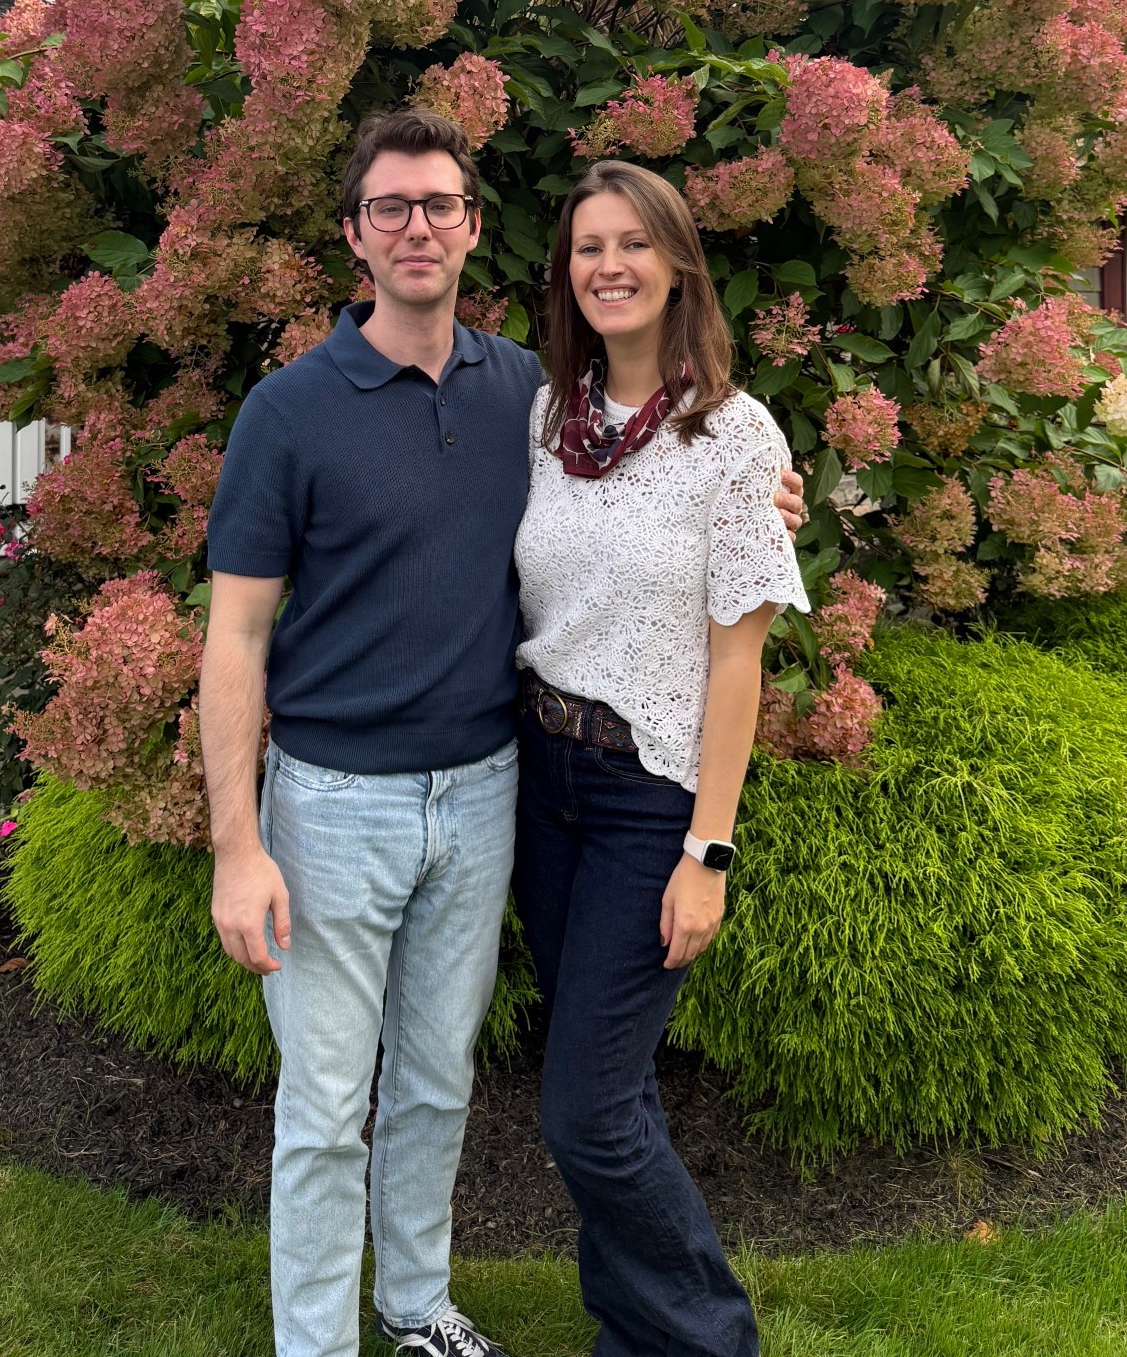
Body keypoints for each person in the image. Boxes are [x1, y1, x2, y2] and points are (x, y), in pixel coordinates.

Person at [200, 108, 804, 1357]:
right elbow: (236, 635)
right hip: (338, 804)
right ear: (355, 233)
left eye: (440, 204)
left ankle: (419, 1310)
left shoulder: (525, 388)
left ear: (474, 226)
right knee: (323, 1106)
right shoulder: (301, 411)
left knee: (442, 1083)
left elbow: (692, 496)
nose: (417, 226)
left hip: (493, 792)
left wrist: (773, 484)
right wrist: (235, 840)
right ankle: (315, 1341)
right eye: (390, 207)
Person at [512, 158, 810, 1357]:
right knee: (613, 1089)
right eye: (589, 245)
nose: (611, 265)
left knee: (585, 1111)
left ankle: (707, 1336)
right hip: (542, 781)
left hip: (649, 798)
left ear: (679, 261)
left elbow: (738, 662)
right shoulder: (544, 419)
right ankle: (631, 1333)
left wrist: (709, 848)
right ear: (567, 273)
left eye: (634, 242)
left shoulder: (736, 439)